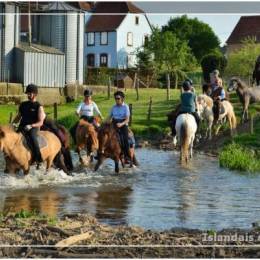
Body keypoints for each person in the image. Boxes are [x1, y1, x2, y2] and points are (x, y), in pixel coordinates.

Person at [13, 84, 46, 166]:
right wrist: (13, 124)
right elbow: (18, 117)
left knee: (32, 137)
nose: (28, 95)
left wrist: (31, 126)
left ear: (35, 94)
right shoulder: (23, 104)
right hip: (22, 127)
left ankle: (39, 159)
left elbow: (41, 122)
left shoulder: (39, 106)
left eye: (30, 93)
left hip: (33, 128)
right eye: (27, 93)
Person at [108, 91, 131, 160]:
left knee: (125, 139)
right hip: (114, 123)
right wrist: (104, 123)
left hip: (123, 124)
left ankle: (127, 156)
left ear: (122, 99)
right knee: (104, 135)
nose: (116, 100)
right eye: (115, 98)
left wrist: (121, 124)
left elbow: (127, 120)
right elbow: (109, 117)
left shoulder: (125, 107)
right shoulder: (113, 107)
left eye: (118, 98)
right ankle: (101, 153)